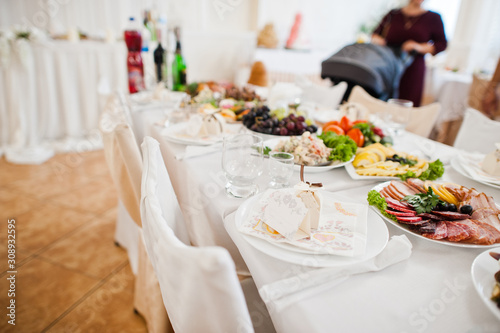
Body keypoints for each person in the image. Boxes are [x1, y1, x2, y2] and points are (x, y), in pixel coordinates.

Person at [371, 0, 447, 106]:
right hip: (389, 63)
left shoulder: (434, 18)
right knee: (383, 98)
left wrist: (418, 47)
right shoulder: (393, 14)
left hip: (413, 66)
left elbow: (441, 44)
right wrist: (378, 40)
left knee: (407, 101)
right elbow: (375, 34)